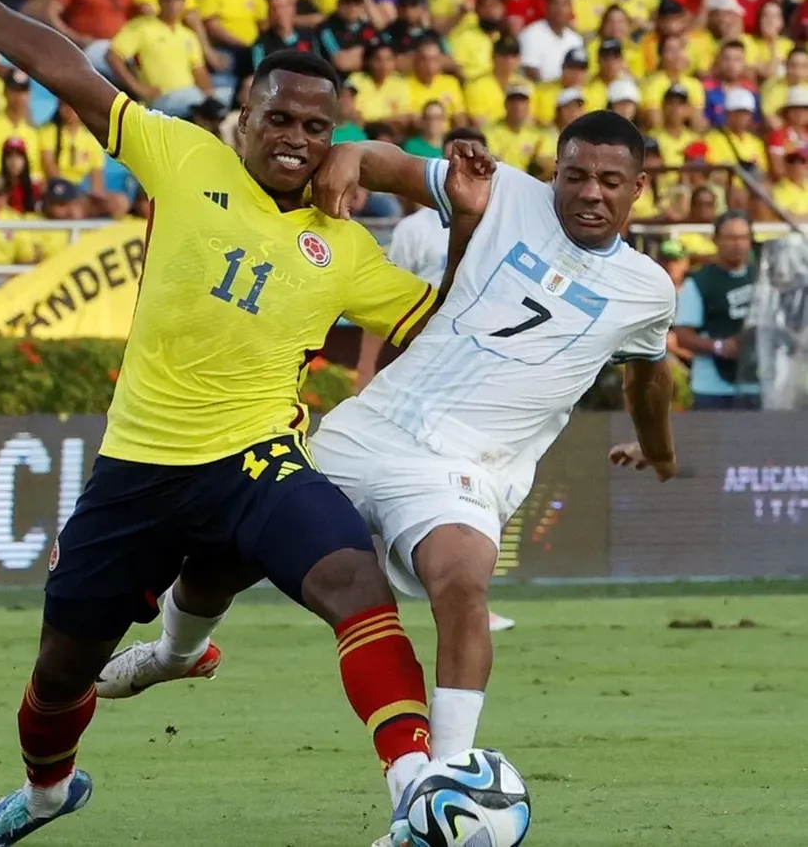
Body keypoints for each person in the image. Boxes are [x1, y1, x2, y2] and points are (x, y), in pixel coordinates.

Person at [0, 0, 495, 846]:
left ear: (338, 138)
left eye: (316, 128)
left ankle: (415, 784)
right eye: (279, 118)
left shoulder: (345, 248)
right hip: (138, 471)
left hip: (256, 464)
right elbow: (61, 65)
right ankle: (46, 796)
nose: (294, 138)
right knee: (62, 673)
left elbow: (441, 320)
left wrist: (471, 223)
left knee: (355, 585)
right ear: (244, 118)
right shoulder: (183, 155)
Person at [100, 110, 680, 847]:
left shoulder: (646, 290)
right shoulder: (502, 191)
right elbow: (382, 164)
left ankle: (441, 787)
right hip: (375, 425)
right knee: (227, 552)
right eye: (574, 176)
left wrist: (659, 455)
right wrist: (350, 156)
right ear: (554, 172)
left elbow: (648, 380)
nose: (589, 193)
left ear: (638, 189)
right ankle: (176, 654)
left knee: (463, 585)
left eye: (609, 181)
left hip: (467, 467)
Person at [355, 128, 519, 633]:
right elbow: (376, 303)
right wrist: (365, 369)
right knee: (398, 471)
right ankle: (374, 588)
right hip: (416, 357)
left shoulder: (504, 224)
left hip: (476, 368)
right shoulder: (414, 229)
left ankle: (469, 596)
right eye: (452, 157)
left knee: (479, 479)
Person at [672, 210, 762, 409]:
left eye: (742, 237)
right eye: (730, 238)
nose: (737, 244)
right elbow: (683, 336)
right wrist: (719, 347)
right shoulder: (699, 282)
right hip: (714, 388)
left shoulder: (762, 278)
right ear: (716, 240)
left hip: (757, 384)